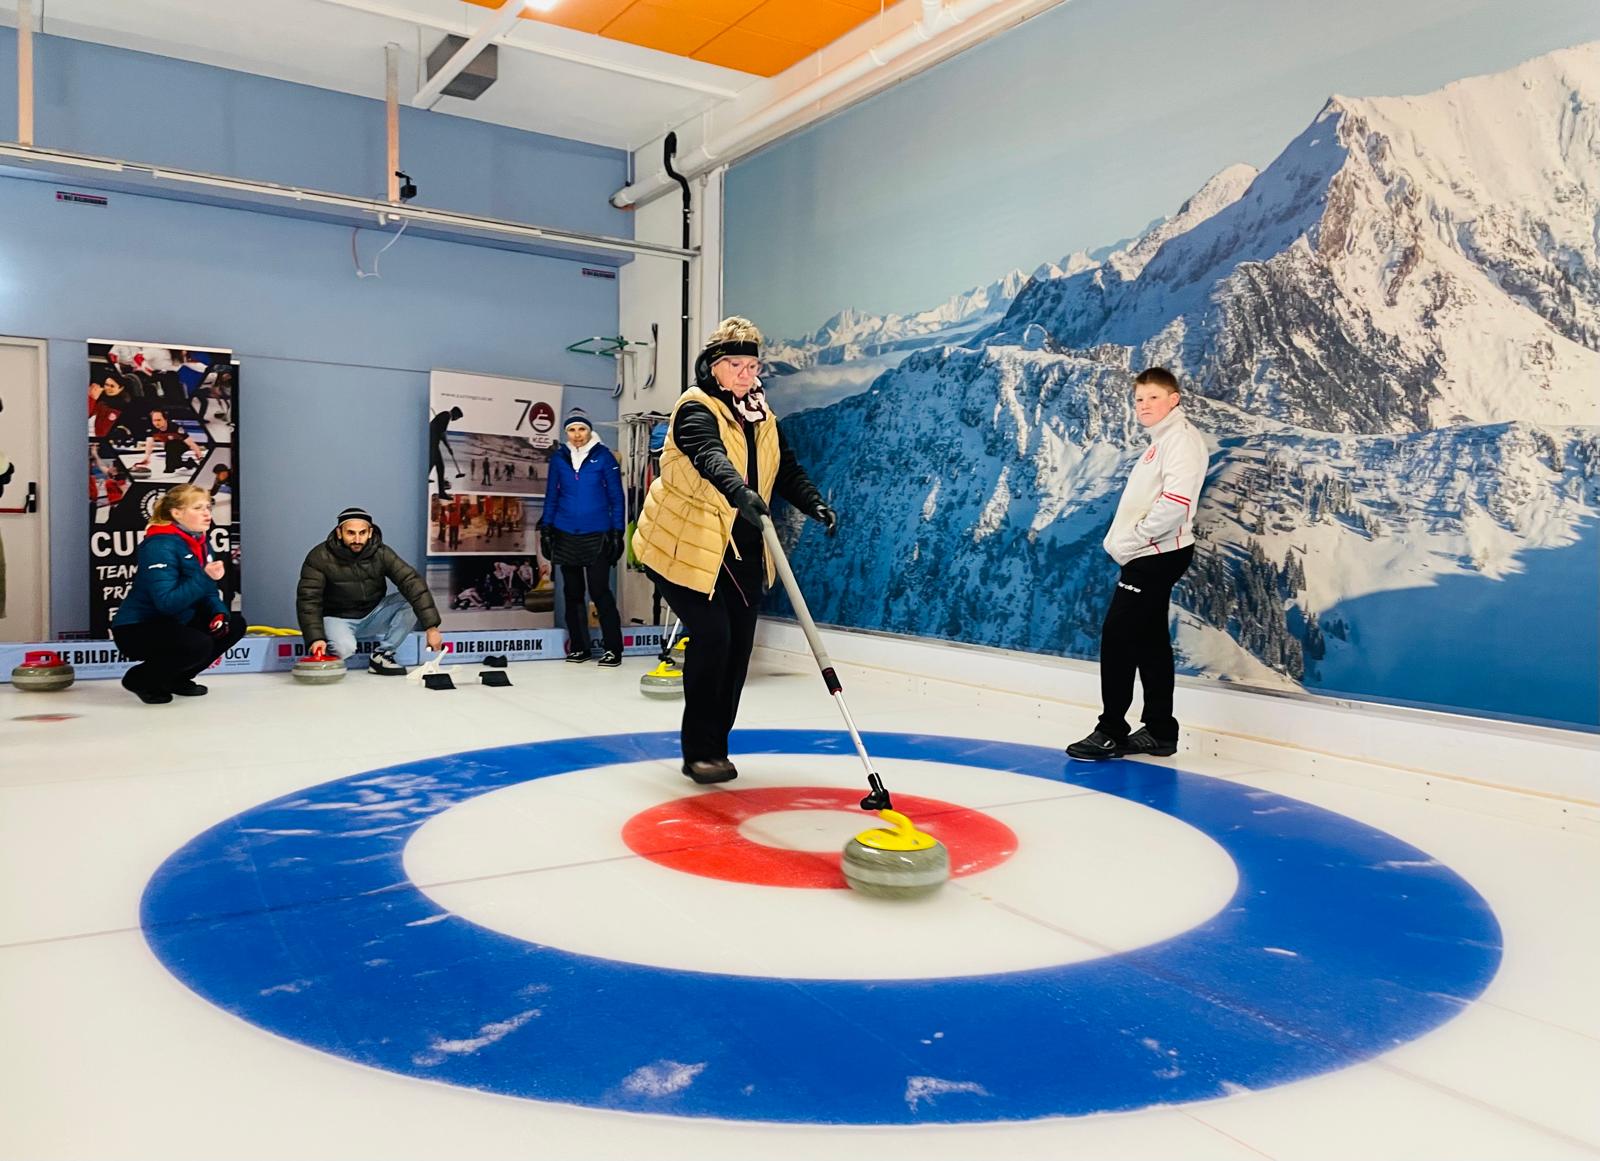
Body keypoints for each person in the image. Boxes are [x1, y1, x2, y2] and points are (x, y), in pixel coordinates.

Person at [633, 318, 837, 784]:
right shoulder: (695, 407)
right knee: (714, 636)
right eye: (734, 365)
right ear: (713, 367)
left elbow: (786, 469)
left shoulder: (763, 417)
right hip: (683, 545)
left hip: (741, 548)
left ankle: (716, 746)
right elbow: (708, 456)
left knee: (739, 646)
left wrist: (813, 503)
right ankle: (698, 750)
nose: (746, 374)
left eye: (752, 365)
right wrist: (738, 491)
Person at [1066, 367, 1210, 761]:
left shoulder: (1179, 441)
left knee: (1117, 638)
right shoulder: (1163, 440)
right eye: (1139, 399)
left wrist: (1134, 541)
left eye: (1153, 398)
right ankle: (1161, 731)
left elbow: (1176, 504)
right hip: (1154, 553)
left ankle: (1111, 730)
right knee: (1150, 643)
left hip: (1155, 555)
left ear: (1174, 399)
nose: (1144, 406)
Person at [110, 484, 247, 703]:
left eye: (208, 507)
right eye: (198, 508)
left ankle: (176, 678)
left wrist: (219, 615)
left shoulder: (200, 541)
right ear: (176, 513)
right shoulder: (159, 545)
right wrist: (205, 578)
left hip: (175, 621)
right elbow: (166, 603)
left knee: (234, 625)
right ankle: (141, 679)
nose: (206, 513)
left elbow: (209, 592)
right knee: (197, 643)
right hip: (137, 628)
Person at [296, 506, 443, 675]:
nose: (357, 539)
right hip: (338, 618)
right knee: (346, 648)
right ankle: (331, 655)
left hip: (373, 614)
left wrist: (431, 627)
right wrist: (315, 638)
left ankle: (382, 655)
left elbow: (411, 582)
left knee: (411, 600)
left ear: (370, 532)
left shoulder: (381, 553)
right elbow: (308, 600)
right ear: (339, 532)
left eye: (362, 533)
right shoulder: (319, 557)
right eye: (351, 533)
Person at [538, 408, 626, 666]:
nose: (577, 435)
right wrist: (547, 528)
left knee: (600, 591)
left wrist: (617, 532)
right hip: (565, 533)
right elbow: (552, 495)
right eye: (572, 430)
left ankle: (613, 649)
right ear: (567, 433)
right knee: (572, 593)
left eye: (582, 429)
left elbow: (616, 497)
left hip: (597, 533)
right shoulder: (559, 458)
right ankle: (579, 647)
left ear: (590, 431)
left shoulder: (604, 456)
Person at [135, 408, 205, 475]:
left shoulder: (175, 428)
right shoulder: (151, 429)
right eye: (154, 420)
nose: (156, 423)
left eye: (159, 420)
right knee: (174, 463)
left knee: (171, 449)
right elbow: (149, 443)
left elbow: (190, 443)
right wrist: (147, 457)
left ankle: (173, 466)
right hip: (170, 446)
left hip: (182, 445)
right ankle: (189, 463)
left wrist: (200, 457)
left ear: (165, 419)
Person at [429, 406, 464, 498]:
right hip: (432, 444)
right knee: (440, 466)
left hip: (432, 443)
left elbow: (440, 433)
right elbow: (442, 434)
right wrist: (448, 447)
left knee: (435, 464)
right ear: (455, 414)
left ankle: (441, 492)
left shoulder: (444, 416)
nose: (456, 419)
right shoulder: (446, 416)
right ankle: (442, 493)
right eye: (458, 418)